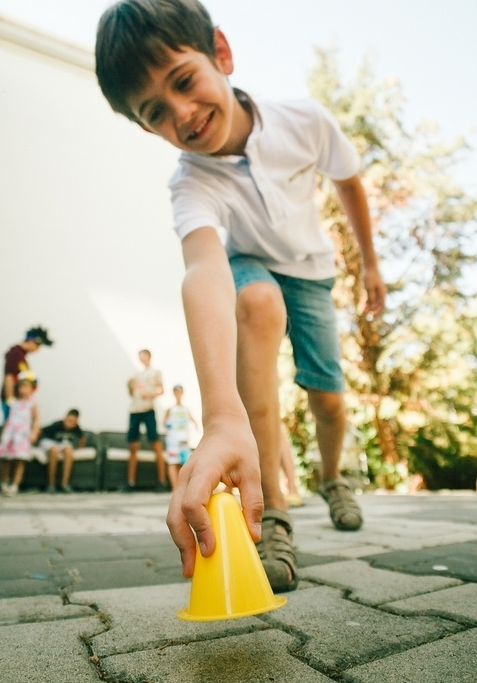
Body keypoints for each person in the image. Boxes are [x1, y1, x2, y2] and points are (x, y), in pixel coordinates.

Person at [95, 0, 386, 592]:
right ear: (146, 126)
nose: (183, 112)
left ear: (220, 54)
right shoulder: (191, 183)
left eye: (185, 81)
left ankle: (333, 479)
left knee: (328, 398)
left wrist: (371, 266)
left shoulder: (303, 121)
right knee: (255, 304)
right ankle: (273, 512)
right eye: (157, 112)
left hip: (311, 269)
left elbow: (349, 181)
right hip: (248, 263)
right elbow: (203, 268)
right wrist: (220, 415)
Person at [120, 349, 168, 492]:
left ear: (148, 356)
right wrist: (129, 386)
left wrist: (151, 395)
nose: (140, 358)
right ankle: (130, 482)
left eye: (142, 355)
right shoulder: (136, 375)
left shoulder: (155, 372)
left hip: (148, 410)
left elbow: (162, 390)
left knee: (155, 444)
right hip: (135, 411)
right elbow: (132, 393)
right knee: (133, 446)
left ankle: (162, 481)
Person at [0, 372, 39, 496]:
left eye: (26, 386)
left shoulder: (32, 403)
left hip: (22, 434)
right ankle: (4, 481)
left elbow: (36, 420)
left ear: (32, 389)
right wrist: (3, 432)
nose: (23, 389)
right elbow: (8, 418)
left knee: (20, 459)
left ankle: (15, 484)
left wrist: (34, 433)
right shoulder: (13, 402)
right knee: (6, 459)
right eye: (20, 386)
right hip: (10, 433)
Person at [0, 326, 52, 422]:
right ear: (32, 341)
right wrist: (11, 400)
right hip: (13, 400)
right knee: (11, 427)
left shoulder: (21, 355)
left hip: (19, 401)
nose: (38, 349)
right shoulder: (16, 354)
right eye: (38, 346)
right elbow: (9, 377)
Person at [38, 408, 85, 493]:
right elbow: (41, 431)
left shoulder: (77, 428)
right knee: (54, 450)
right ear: (65, 418)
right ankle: (51, 485)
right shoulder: (57, 424)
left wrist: (80, 448)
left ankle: (64, 484)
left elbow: (82, 438)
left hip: (61, 443)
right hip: (49, 441)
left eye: (72, 422)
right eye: (67, 420)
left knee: (69, 450)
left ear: (76, 422)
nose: (68, 423)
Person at [162, 384, 198, 490]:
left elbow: (193, 421)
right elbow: (164, 422)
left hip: (184, 441)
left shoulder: (186, 409)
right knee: (173, 462)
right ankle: (175, 488)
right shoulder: (170, 409)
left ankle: (182, 488)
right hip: (173, 441)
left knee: (183, 464)